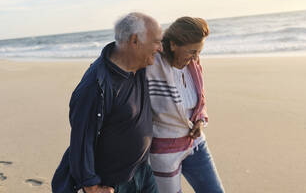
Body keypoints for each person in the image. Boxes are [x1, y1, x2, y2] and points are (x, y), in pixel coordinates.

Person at [51, 12, 163, 193]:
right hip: (111, 183)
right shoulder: (96, 86)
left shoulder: (140, 66)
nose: (160, 48)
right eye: (157, 42)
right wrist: (91, 186)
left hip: (141, 171)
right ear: (135, 41)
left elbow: (178, 45)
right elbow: (81, 138)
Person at [146, 17, 225, 193]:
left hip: (195, 144)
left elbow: (199, 100)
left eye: (199, 52)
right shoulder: (151, 65)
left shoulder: (194, 65)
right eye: (192, 51)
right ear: (173, 45)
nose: (196, 57)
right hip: (165, 152)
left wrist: (200, 120)